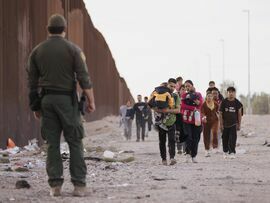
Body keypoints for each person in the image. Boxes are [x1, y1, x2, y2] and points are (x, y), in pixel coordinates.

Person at [26, 14, 95, 197]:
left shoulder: (37, 51)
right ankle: (79, 186)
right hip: (67, 101)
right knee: (75, 141)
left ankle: (55, 186)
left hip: (47, 101)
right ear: (64, 29)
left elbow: (32, 83)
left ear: (48, 29)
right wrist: (91, 101)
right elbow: (84, 78)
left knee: (52, 144)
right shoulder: (73, 50)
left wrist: (35, 106)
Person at [155, 78, 180, 166]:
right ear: (167, 85)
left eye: (174, 86)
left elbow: (178, 110)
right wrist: (161, 111)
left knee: (172, 140)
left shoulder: (176, 96)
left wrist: (167, 110)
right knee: (162, 141)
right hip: (161, 122)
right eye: (171, 86)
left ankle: (172, 158)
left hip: (172, 121)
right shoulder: (160, 94)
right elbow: (154, 107)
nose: (172, 88)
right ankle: (164, 159)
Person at [181, 80, 203, 163]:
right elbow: (182, 105)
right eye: (186, 86)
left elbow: (200, 104)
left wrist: (193, 99)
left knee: (196, 138)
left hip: (196, 120)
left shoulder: (198, 94)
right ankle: (187, 154)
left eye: (188, 86)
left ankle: (194, 156)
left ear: (192, 86)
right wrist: (192, 108)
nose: (187, 87)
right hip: (186, 119)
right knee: (188, 137)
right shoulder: (184, 95)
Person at [219, 87, 243, 159]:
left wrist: (239, 124)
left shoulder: (237, 102)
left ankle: (232, 152)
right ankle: (225, 152)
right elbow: (220, 113)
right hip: (225, 124)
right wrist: (221, 124)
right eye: (229, 92)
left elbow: (239, 114)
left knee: (233, 138)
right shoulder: (223, 102)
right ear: (227, 93)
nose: (231, 93)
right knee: (225, 138)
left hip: (233, 124)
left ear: (235, 93)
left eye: (232, 92)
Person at [201, 91, 219, 157]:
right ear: (206, 97)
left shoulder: (216, 104)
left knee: (214, 132)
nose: (209, 97)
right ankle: (207, 150)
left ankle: (215, 147)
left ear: (212, 97)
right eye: (208, 96)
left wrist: (219, 115)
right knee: (206, 135)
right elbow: (202, 112)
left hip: (215, 121)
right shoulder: (204, 104)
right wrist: (203, 117)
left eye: (211, 96)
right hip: (206, 121)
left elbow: (218, 110)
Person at [175, 84, 187, 154]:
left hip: (186, 117)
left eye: (185, 89)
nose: (184, 91)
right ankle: (179, 149)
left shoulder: (188, 97)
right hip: (177, 117)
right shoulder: (176, 97)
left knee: (185, 132)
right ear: (179, 90)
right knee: (178, 133)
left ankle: (185, 149)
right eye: (182, 89)